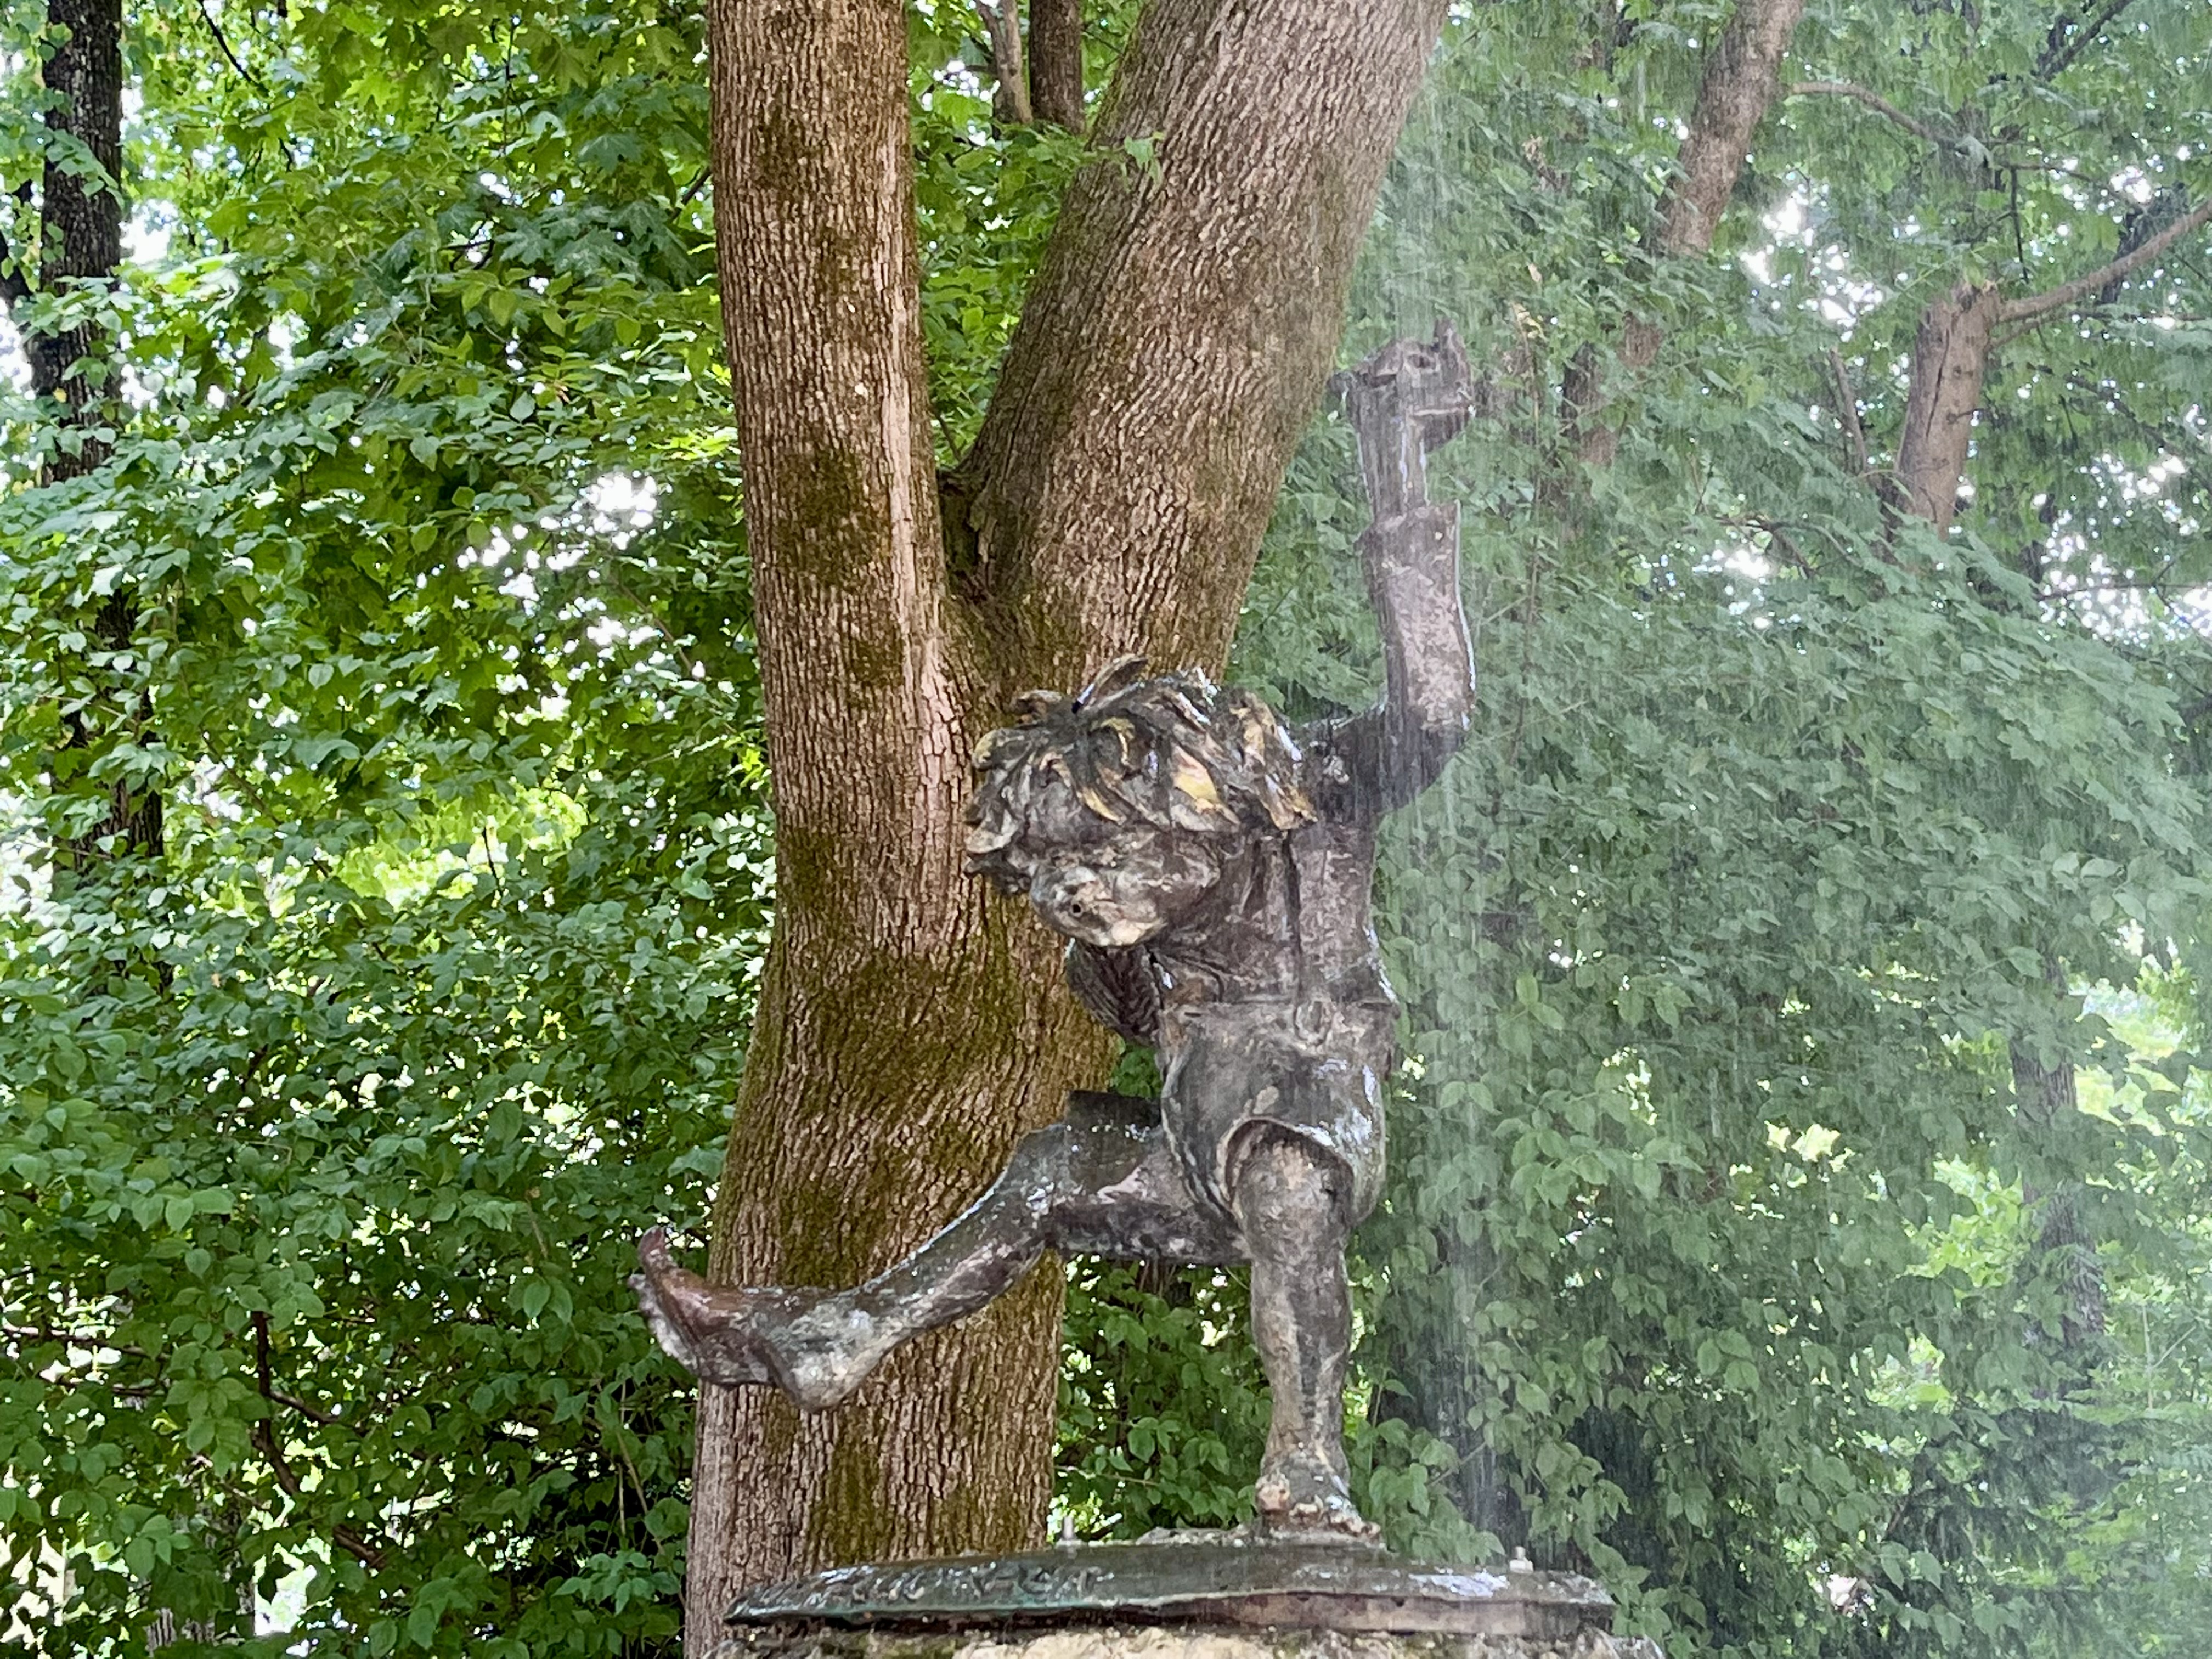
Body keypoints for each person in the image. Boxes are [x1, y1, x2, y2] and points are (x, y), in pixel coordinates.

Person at [635, 323, 1475, 1540]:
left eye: (1103, 867)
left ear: (1191, 816)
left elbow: (1437, 709)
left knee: (1286, 1185)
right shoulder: (1112, 945)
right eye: (1055, 882)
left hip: (1309, 1105)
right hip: (1196, 1139)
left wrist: (1399, 468)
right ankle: (837, 1334)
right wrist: (1119, 948)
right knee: (1052, 1175)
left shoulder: (1315, 798)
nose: (1078, 902)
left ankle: (1310, 1472)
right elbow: (1130, 1017)